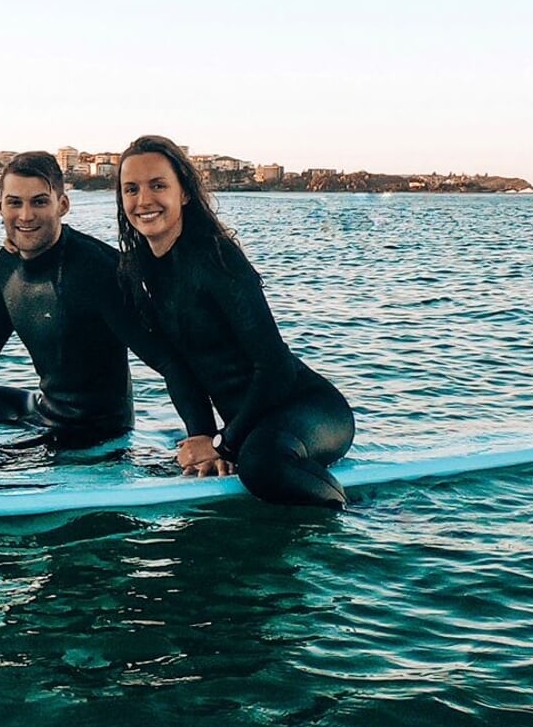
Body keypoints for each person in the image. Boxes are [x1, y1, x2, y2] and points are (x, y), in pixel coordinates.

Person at [0, 151, 219, 451]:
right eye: (15, 202)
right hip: (44, 409)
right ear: (0, 206)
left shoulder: (98, 271)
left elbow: (167, 359)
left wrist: (202, 435)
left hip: (93, 428)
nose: (26, 215)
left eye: (39, 202)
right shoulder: (7, 264)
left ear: (63, 205)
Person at [115, 134, 355, 507]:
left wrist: (225, 443)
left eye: (158, 185)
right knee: (239, 457)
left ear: (184, 194)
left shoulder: (216, 260)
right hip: (250, 428)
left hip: (310, 411)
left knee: (260, 465)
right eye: (131, 189)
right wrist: (202, 440)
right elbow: (177, 367)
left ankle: (365, 512)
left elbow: (275, 367)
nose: (143, 200)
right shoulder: (136, 269)